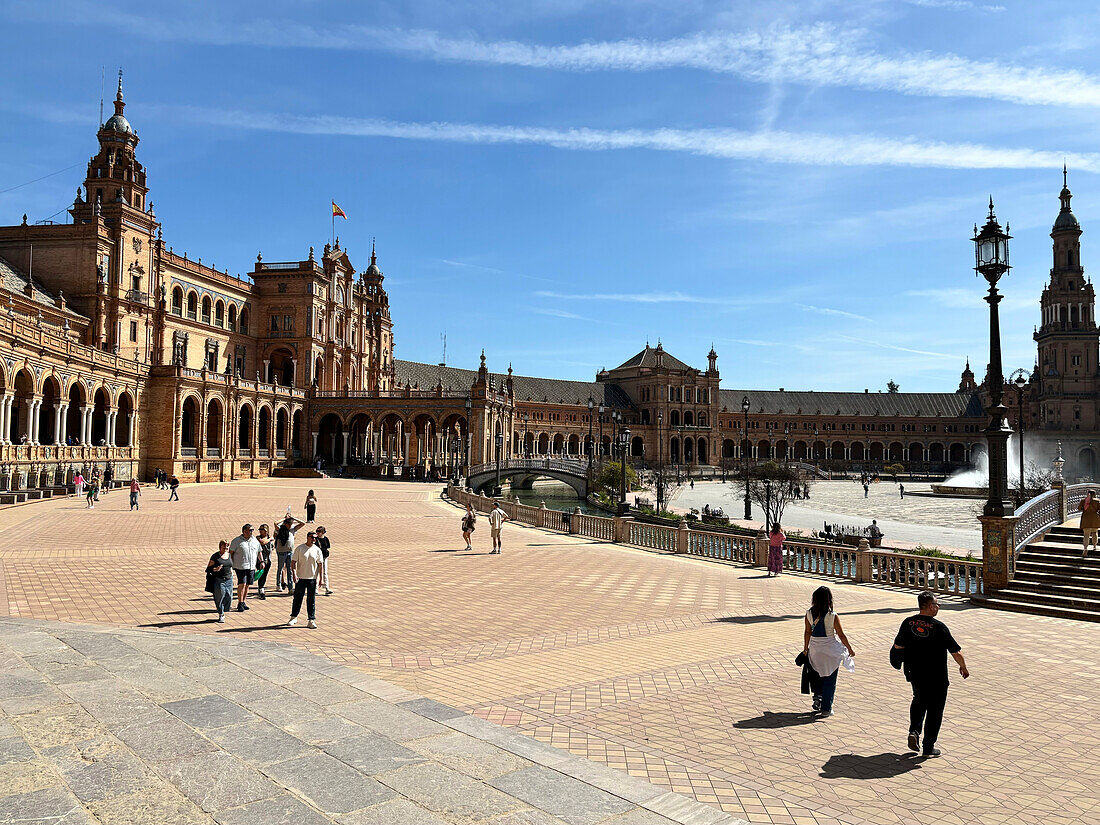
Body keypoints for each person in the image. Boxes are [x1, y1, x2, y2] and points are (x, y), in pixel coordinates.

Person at [892, 591, 969, 758]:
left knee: (919, 700)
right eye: (937, 604)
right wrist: (963, 667)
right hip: (937, 675)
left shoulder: (908, 622)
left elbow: (898, 646)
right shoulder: (939, 627)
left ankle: (914, 731)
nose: (938, 606)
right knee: (935, 709)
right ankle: (928, 747)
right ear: (930, 606)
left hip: (914, 672)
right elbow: (955, 651)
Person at [803, 586, 856, 718]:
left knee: (817, 675)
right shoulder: (833, 616)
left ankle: (817, 697)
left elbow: (807, 632)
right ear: (829, 600)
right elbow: (841, 635)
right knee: (830, 679)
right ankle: (826, 708)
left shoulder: (809, 614)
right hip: (831, 650)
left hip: (815, 649)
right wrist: (850, 649)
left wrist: (805, 648)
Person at [287, 530, 323, 628]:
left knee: (311, 600)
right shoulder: (300, 549)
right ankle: (293, 617)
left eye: (315, 538)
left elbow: (320, 564)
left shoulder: (317, 550)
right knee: (297, 598)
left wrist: (320, 578)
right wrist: (294, 574)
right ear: (308, 537)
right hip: (301, 578)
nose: (314, 539)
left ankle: (311, 619)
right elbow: (293, 562)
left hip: (312, 578)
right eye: (312, 537)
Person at [229, 524, 261, 612]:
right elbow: (231, 553)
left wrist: (261, 562)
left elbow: (259, 551)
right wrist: (230, 565)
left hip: (251, 566)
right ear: (244, 531)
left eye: (251, 530)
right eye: (249, 530)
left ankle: (243, 601)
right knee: (242, 584)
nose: (251, 532)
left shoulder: (255, 540)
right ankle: (240, 602)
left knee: (247, 585)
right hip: (240, 566)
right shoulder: (236, 541)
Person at [274, 514, 305, 591]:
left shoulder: (293, 530)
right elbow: (275, 523)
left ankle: (290, 587)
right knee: (280, 568)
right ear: (285, 524)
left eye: (291, 524)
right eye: (289, 524)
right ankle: (278, 585)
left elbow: (303, 523)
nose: (290, 525)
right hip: (281, 552)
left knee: (290, 570)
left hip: (290, 552)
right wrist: (284, 519)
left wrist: (294, 518)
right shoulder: (280, 529)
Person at [206, 540, 234, 622]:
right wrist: (215, 569)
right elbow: (208, 569)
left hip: (229, 579)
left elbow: (230, 566)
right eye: (224, 546)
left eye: (227, 546)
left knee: (229, 597)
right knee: (219, 597)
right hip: (219, 580)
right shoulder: (215, 556)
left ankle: (224, 609)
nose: (226, 547)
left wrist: (232, 574)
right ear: (220, 546)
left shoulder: (229, 555)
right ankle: (221, 613)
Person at [1078, 489, 1100, 556]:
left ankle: (1085, 548)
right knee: (1094, 533)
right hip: (1095, 519)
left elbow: (1079, 508)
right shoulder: (1097, 501)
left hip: (1086, 518)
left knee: (1086, 535)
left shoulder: (1083, 501)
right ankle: (1094, 546)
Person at [255, 524, 273, 599]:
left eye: (263, 530)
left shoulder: (269, 538)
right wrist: (270, 539)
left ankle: (261, 587)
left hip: (268, 560)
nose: (261, 531)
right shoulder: (257, 538)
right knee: (261, 574)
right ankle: (261, 588)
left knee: (265, 575)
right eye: (260, 530)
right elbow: (263, 542)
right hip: (260, 560)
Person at [315, 526, 333, 595]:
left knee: (325, 573)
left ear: (323, 532)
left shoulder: (326, 539)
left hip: (324, 557)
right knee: (316, 573)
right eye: (317, 531)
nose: (317, 532)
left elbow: (328, 546)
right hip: (317, 558)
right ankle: (315, 589)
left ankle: (326, 588)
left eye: (319, 531)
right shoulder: (315, 539)